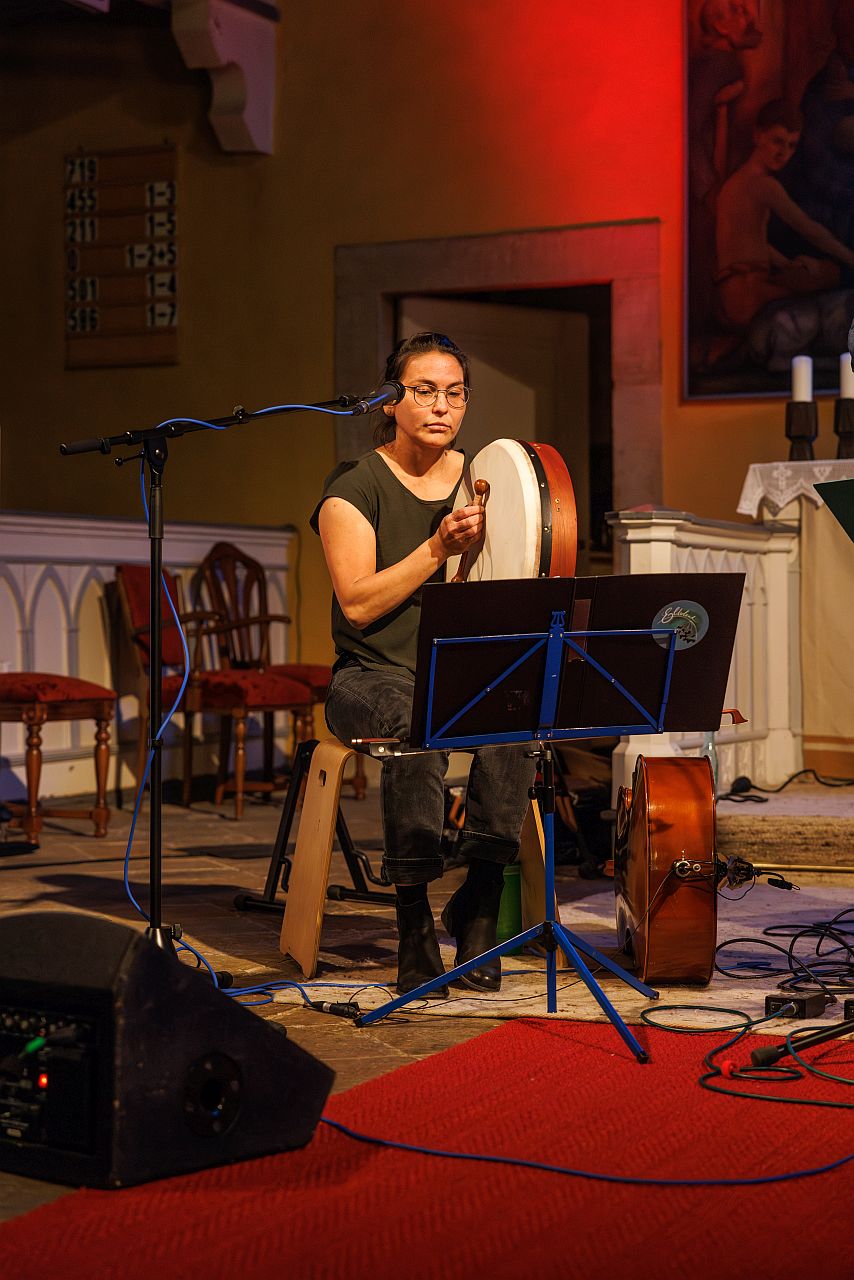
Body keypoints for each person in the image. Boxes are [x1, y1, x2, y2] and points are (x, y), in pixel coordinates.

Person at [312, 331, 535, 997]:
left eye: (455, 393)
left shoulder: (484, 479)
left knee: (517, 716)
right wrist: (438, 548)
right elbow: (357, 604)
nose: (442, 406)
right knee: (418, 727)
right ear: (390, 401)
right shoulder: (355, 486)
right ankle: (412, 922)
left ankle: (480, 908)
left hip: (460, 671)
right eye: (425, 391)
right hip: (370, 676)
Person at [715, 99, 854, 330]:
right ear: (758, 136)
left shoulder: (734, 182)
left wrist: (786, 263)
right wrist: (850, 259)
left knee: (809, 272)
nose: (784, 153)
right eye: (777, 142)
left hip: (732, 294)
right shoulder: (764, 185)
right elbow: (811, 231)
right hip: (748, 294)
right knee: (830, 276)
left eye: (792, 146)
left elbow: (748, 240)